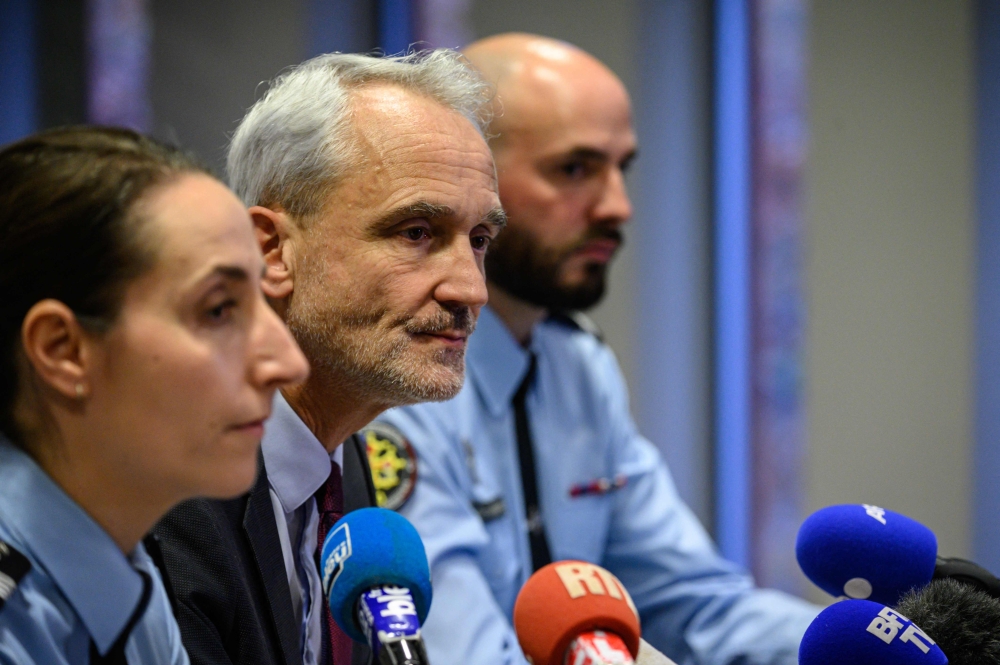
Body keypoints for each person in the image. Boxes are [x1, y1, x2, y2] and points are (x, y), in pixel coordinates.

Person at [371, 34, 821, 665]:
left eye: (621, 168)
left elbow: (695, 607)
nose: (618, 207)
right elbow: (463, 656)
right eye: (575, 170)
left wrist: (865, 648)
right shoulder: (401, 379)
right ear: (473, 180)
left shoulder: (578, 366)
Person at [150, 50, 505, 665]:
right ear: (271, 251)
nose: (470, 290)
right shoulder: (167, 489)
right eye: (416, 233)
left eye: (478, 240)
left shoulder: (347, 468)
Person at [0, 127, 309, 665]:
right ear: (63, 350)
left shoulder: (123, 565)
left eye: (260, 301)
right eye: (218, 310)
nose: (287, 363)